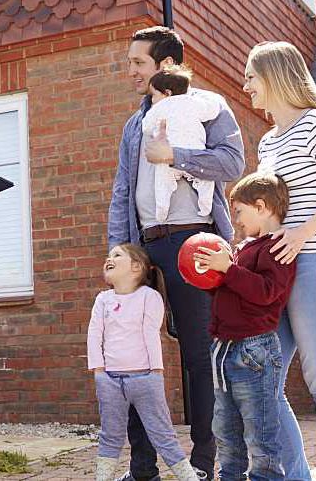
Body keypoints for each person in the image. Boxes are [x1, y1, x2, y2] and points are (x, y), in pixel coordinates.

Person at [108, 26, 246, 480]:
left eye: (138, 63)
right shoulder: (134, 123)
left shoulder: (209, 107)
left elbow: (233, 162)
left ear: (164, 66)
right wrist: (120, 249)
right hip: (144, 246)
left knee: (198, 354)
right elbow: (122, 191)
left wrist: (176, 155)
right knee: (134, 356)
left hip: (195, 241)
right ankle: (143, 467)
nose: (130, 71)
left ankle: (206, 460)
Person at [244, 41, 316, 480]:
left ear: (274, 75)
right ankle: (297, 475)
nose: (246, 86)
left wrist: (299, 234)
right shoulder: (267, 142)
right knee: (260, 379)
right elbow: (266, 211)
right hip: (274, 273)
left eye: (251, 76)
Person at [194, 172, 296, 480]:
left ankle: (266, 476)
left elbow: (266, 293)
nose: (236, 221)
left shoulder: (277, 247)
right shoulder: (243, 248)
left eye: (239, 212)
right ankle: (230, 475)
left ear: (262, 206)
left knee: (259, 427)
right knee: (225, 426)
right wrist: (212, 275)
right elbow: (229, 291)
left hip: (254, 350)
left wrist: (228, 269)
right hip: (223, 348)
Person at [88, 244, 200, 481]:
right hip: (110, 381)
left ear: (136, 267)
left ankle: (189, 478)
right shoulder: (103, 300)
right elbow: (94, 334)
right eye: (109, 255)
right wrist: (98, 371)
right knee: (110, 436)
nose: (109, 258)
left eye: (117, 255)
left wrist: (156, 373)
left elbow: (151, 334)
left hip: (145, 379)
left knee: (163, 435)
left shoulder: (149, 297)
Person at [143, 65, 219, 222]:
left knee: (162, 184)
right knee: (206, 182)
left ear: (167, 93)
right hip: (195, 155)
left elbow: (146, 126)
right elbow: (212, 110)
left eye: (154, 95)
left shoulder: (160, 107)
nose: (152, 99)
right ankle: (205, 206)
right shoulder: (193, 102)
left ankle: (161, 211)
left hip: (168, 157)